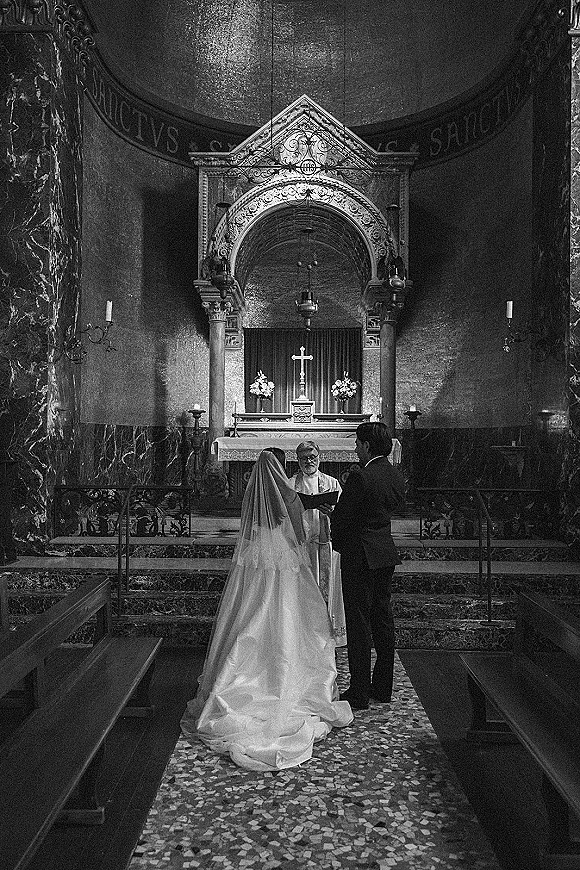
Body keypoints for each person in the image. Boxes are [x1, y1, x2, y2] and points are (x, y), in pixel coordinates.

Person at [181, 450, 352, 771]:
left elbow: (248, 529)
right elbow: (300, 535)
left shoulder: (252, 493)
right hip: (285, 559)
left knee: (251, 614)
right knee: (288, 619)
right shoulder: (287, 493)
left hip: (256, 557)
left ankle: (245, 674)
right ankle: (283, 671)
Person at [330, 422, 405, 710]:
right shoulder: (395, 475)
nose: (355, 448)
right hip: (384, 552)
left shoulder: (360, 477)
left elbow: (344, 518)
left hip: (359, 555)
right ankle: (383, 686)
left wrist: (335, 529)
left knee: (359, 622)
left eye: (358, 443)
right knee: (383, 619)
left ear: (367, 445)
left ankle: (360, 691)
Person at [289, 441, 347, 647]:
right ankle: (302, 632)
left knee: (325, 588)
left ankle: (325, 633)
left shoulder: (332, 484)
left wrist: (332, 513)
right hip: (300, 546)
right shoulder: (290, 484)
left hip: (325, 544)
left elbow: (345, 516)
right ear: (297, 460)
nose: (309, 461)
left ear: (319, 457)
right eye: (304, 458)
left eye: (312, 457)